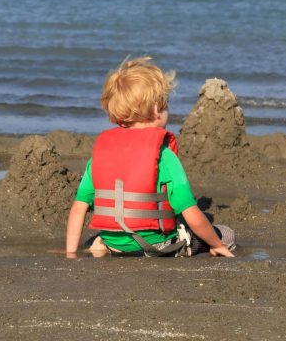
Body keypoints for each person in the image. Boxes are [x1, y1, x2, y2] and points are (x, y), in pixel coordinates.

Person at [65, 57, 235, 258]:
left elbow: (78, 208)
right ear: (156, 109)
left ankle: (101, 245)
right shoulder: (163, 155)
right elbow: (190, 211)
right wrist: (216, 245)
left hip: (114, 244)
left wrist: (70, 253)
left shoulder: (100, 153)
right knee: (226, 234)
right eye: (166, 105)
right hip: (155, 246)